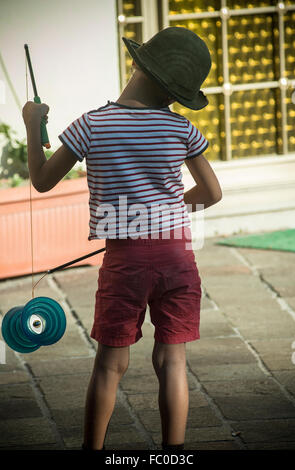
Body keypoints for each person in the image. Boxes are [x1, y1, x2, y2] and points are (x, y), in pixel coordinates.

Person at [22, 26, 222, 451]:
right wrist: (165, 211)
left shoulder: (92, 125)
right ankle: (174, 454)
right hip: (177, 258)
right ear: (178, 94)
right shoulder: (181, 129)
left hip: (124, 262)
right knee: (172, 360)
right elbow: (212, 193)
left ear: (137, 63)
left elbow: (41, 181)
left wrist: (32, 125)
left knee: (110, 364)